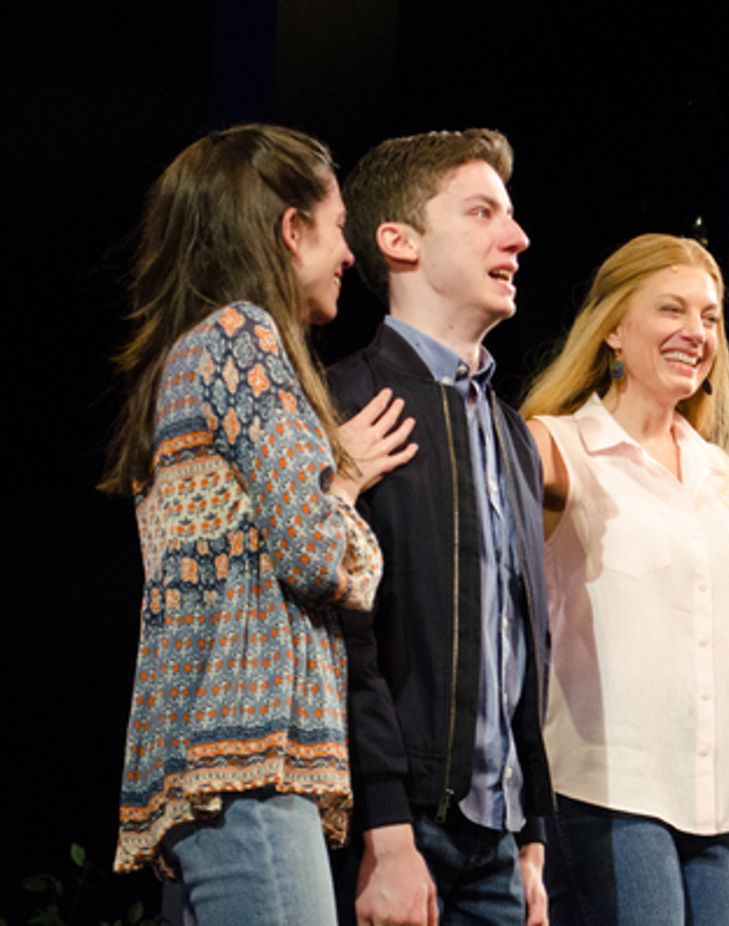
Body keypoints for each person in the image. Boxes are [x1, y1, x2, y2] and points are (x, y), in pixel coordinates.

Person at [101, 123, 417, 924]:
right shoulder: (244, 339)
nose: (349, 256)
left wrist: (324, 482)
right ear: (291, 229)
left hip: (208, 774)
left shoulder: (187, 355)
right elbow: (315, 555)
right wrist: (344, 505)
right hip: (251, 767)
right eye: (339, 228)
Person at [327, 128, 553, 926]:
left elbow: (524, 637)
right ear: (399, 241)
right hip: (393, 831)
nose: (517, 237)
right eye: (482, 211)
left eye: (512, 215)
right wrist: (386, 834)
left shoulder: (514, 433)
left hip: (499, 845)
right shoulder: (343, 403)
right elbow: (341, 631)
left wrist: (532, 840)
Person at [519, 234, 729, 925]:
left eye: (710, 317)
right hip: (609, 791)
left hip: (718, 805)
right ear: (611, 328)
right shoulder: (556, 445)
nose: (695, 332)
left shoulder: (724, 478)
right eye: (671, 310)